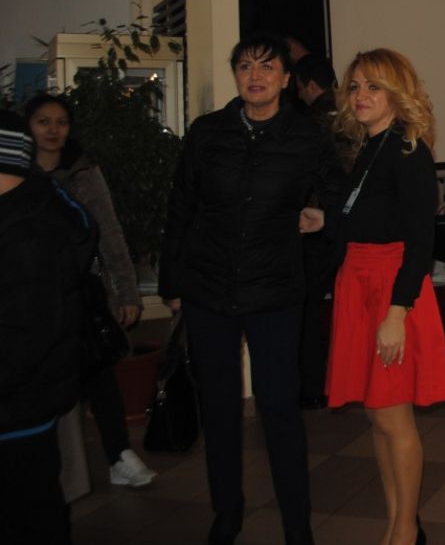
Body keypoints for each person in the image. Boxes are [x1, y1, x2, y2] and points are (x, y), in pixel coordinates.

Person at [159, 34, 344, 545]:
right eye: (245, 67)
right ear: (236, 76)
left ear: (285, 78)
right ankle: (227, 513)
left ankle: (297, 526)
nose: (255, 76)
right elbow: (180, 207)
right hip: (208, 290)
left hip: (275, 292)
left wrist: (323, 214)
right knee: (219, 409)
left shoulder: (306, 136)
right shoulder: (208, 132)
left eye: (266, 67)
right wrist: (173, 281)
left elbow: (340, 190)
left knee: (279, 408)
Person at [325, 49, 445, 545]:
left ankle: (404, 530)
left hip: (391, 291)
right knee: (377, 413)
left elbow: (421, 242)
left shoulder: (408, 151)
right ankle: (398, 521)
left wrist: (396, 313)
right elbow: (371, 214)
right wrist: (324, 221)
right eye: (355, 86)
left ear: (396, 94)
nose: (360, 96)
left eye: (373, 87)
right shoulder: (370, 147)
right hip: (360, 284)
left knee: (394, 417)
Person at [24, 93, 158, 488]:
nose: (53, 130)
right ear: (28, 127)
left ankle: (119, 455)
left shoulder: (84, 172)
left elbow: (110, 233)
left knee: (100, 374)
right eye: (43, 122)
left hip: (82, 292)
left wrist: (127, 292)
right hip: (31, 297)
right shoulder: (18, 173)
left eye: (61, 122)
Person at [0, 110, 93, 545]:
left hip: (19, 409)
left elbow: (26, 337)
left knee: (30, 513)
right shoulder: (28, 211)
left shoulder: (28, 234)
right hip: (23, 405)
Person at [290, 54, 344, 409]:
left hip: (320, 226)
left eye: (299, 87)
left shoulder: (311, 123)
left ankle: (312, 387)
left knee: (306, 307)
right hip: (352, 225)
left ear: (310, 85)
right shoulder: (355, 116)